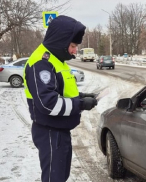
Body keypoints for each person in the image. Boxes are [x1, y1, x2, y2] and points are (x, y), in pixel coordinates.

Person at [23, 15, 97, 182]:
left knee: (60, 177)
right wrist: (80, 104)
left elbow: (61, 92)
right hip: (49, 132)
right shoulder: (41, 63)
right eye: (72, 46)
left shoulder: (57, 61)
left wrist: (82, 96)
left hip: (59, 131)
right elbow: (48, 103)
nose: (74, 51)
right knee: (53, 178)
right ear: (60, 40)